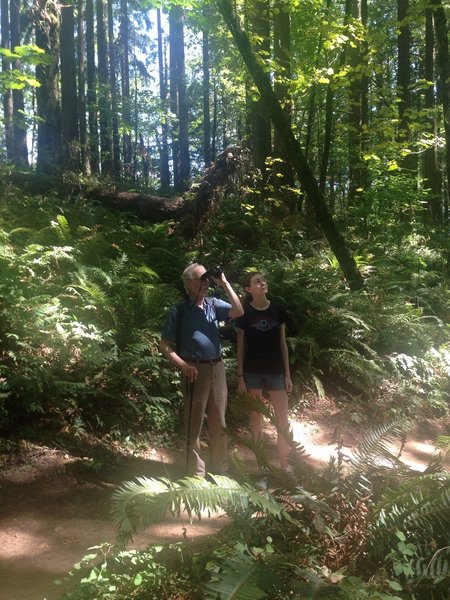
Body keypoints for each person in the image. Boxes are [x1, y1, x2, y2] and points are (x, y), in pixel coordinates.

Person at [160, 263, 244, 477]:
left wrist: (224, 283)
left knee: (219, 421)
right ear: (189, 284)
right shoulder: (178, 311)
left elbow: (239, 310)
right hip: (193, 371)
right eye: (201, 279)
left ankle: (220, 470)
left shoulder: (213, 305)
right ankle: (195, 474)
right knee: (194, 423)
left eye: (208, 279)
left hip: (217, 369)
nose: (206, 283)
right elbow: (165, 346)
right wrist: (184, 366)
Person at [236, 271, 293, 470]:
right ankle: (261, 468)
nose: (262, 283)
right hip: (252, 373)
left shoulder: (278, 309)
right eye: (256, 281)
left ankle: (286, 467)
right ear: (248, 289)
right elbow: (241, 347)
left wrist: (287, 375)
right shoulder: (244, 313)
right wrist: (241, 376)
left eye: (263, 280)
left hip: (276, 372)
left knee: (282, 421)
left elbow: (283, 344)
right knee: (256, 423)